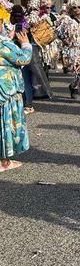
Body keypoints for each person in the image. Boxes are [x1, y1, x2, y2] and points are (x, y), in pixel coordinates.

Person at [0, 23, 33, 172]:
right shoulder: (4, 44)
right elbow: (23, 59)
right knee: (5, 123)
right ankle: (4, 162)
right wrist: (25, 44)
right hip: (5, 90)